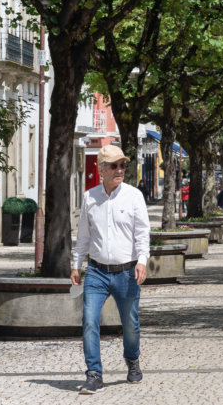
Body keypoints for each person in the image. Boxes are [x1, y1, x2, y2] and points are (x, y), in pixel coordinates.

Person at [71, 144, 150, 394]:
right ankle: (94, 373)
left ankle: (132, 359)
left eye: (122, 165)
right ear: (101, 169)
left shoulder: (134, 196)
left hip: (127, 271)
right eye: (114, 166)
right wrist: (76, 264)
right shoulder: (89, 197)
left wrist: (142, 261)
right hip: (96, 271)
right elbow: (83, 235)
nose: (119, 170)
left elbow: (142, 232)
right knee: (89, 320)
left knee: (130, 323)